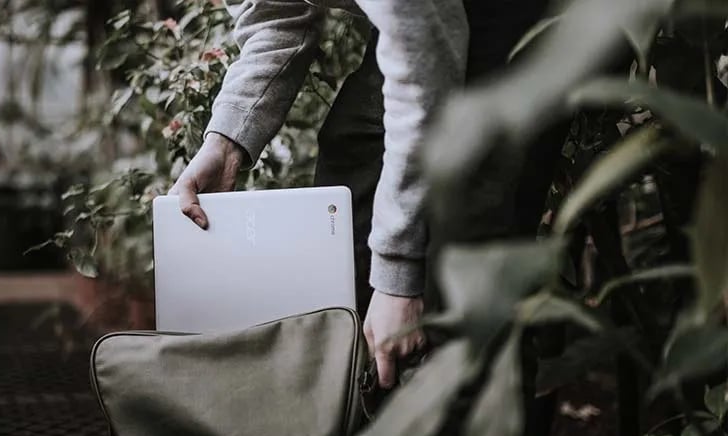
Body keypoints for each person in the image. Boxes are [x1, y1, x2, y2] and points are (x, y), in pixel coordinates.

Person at [168, 0, 561, 391]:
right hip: (422, 19)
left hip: (514, 18)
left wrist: (398, 276)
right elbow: (276, 13)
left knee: (466, 259)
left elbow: (424, 67)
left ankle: (474, 418)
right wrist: (226, 141)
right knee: (351, 156)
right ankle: (369, 406)